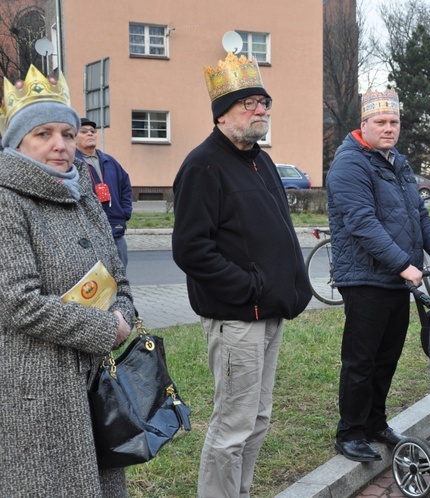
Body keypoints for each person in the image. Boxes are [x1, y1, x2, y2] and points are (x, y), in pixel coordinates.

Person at [171, 52, 312, 497]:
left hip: (268, 312)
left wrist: (287, 287)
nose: (261, 111)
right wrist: (250, 288)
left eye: (264, 103)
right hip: (236, 318)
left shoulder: (260, 160)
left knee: (258, 419)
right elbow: (191, 249)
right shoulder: (202, 165)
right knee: (233, 425)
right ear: (222, 113)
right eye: (250, 103)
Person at [0, 65, 134, 496]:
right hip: (36, 389)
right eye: (43, 134)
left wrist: (125, 314)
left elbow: (120, 280)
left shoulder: (81, 193)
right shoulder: (7, 201)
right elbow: (18, 302)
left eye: (68, 134)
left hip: (94, 383)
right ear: (17, 141)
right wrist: (106, 328)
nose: (60, 146)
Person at [326, 88, 430, 462]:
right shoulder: (350, 164)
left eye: (394, 122)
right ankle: (350, 432)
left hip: (397, 279)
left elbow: (418, 214)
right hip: (366, 279)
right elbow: (362, 223)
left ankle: (375, 423)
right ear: (364, 125)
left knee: (387, 357)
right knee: (361, 360)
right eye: (381, 122)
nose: (388, 128)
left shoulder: (396, 162)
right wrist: (404, 264)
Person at [75, 118, 133, 270]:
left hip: (115, 228)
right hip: (88, 234)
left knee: (120, 277)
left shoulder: (109, 161)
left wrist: (125, 212)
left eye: (93, 132)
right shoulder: (71, 163)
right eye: (84, 131)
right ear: (74, 136)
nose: (90, 134)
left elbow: (126, 186)